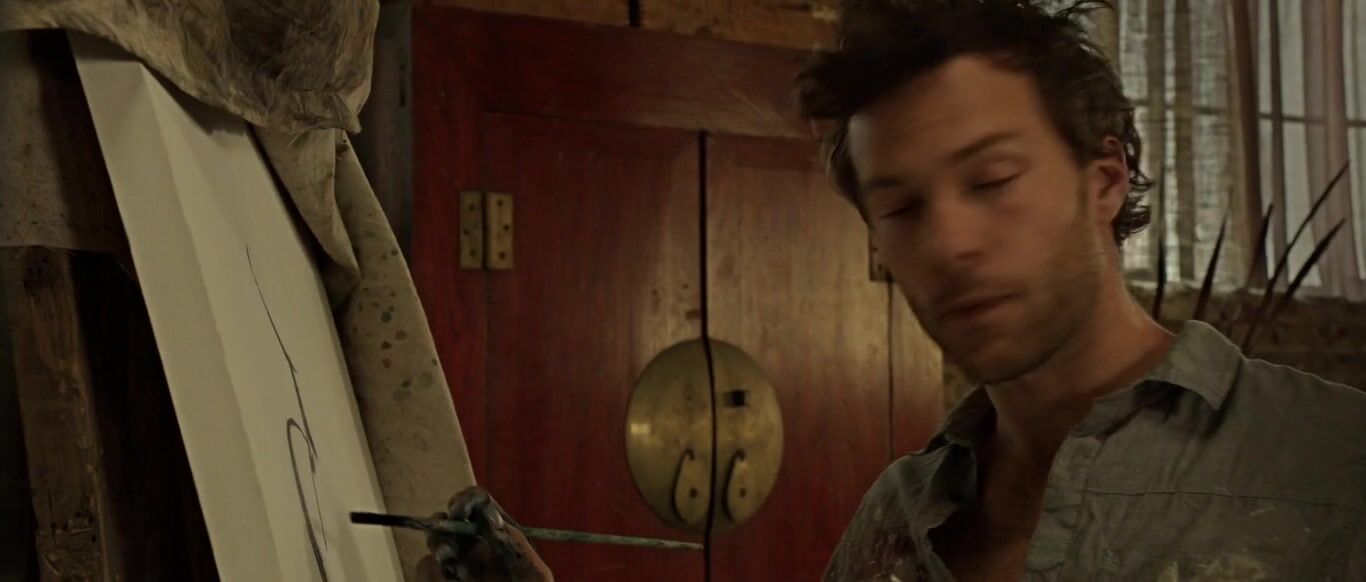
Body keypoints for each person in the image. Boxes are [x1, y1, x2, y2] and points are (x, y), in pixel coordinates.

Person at [426, 1, 1366, 580]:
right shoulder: (896, 518)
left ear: (1105, 180)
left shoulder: (1331, 464)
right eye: (904, 207)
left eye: (992, 180)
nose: (949, 242)